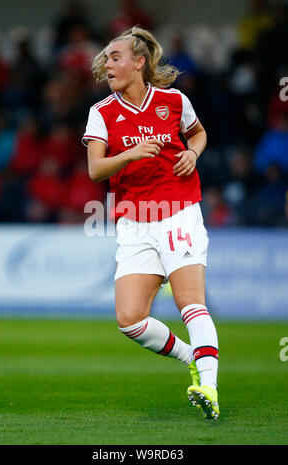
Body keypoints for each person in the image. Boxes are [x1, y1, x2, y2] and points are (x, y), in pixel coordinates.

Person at [82, 26, 219, 420]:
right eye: (107, 58)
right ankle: (194, 356)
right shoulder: (102, 112)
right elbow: (95, 169)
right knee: (129, 319)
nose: (108, 63)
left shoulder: (173, 101)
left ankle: (208, 386)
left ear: (138, 62)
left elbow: (198, 134)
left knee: (190, 303)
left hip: (178, 210)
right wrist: (131, 153)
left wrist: (194, 153)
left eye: (115, 56)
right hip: (134, 221)